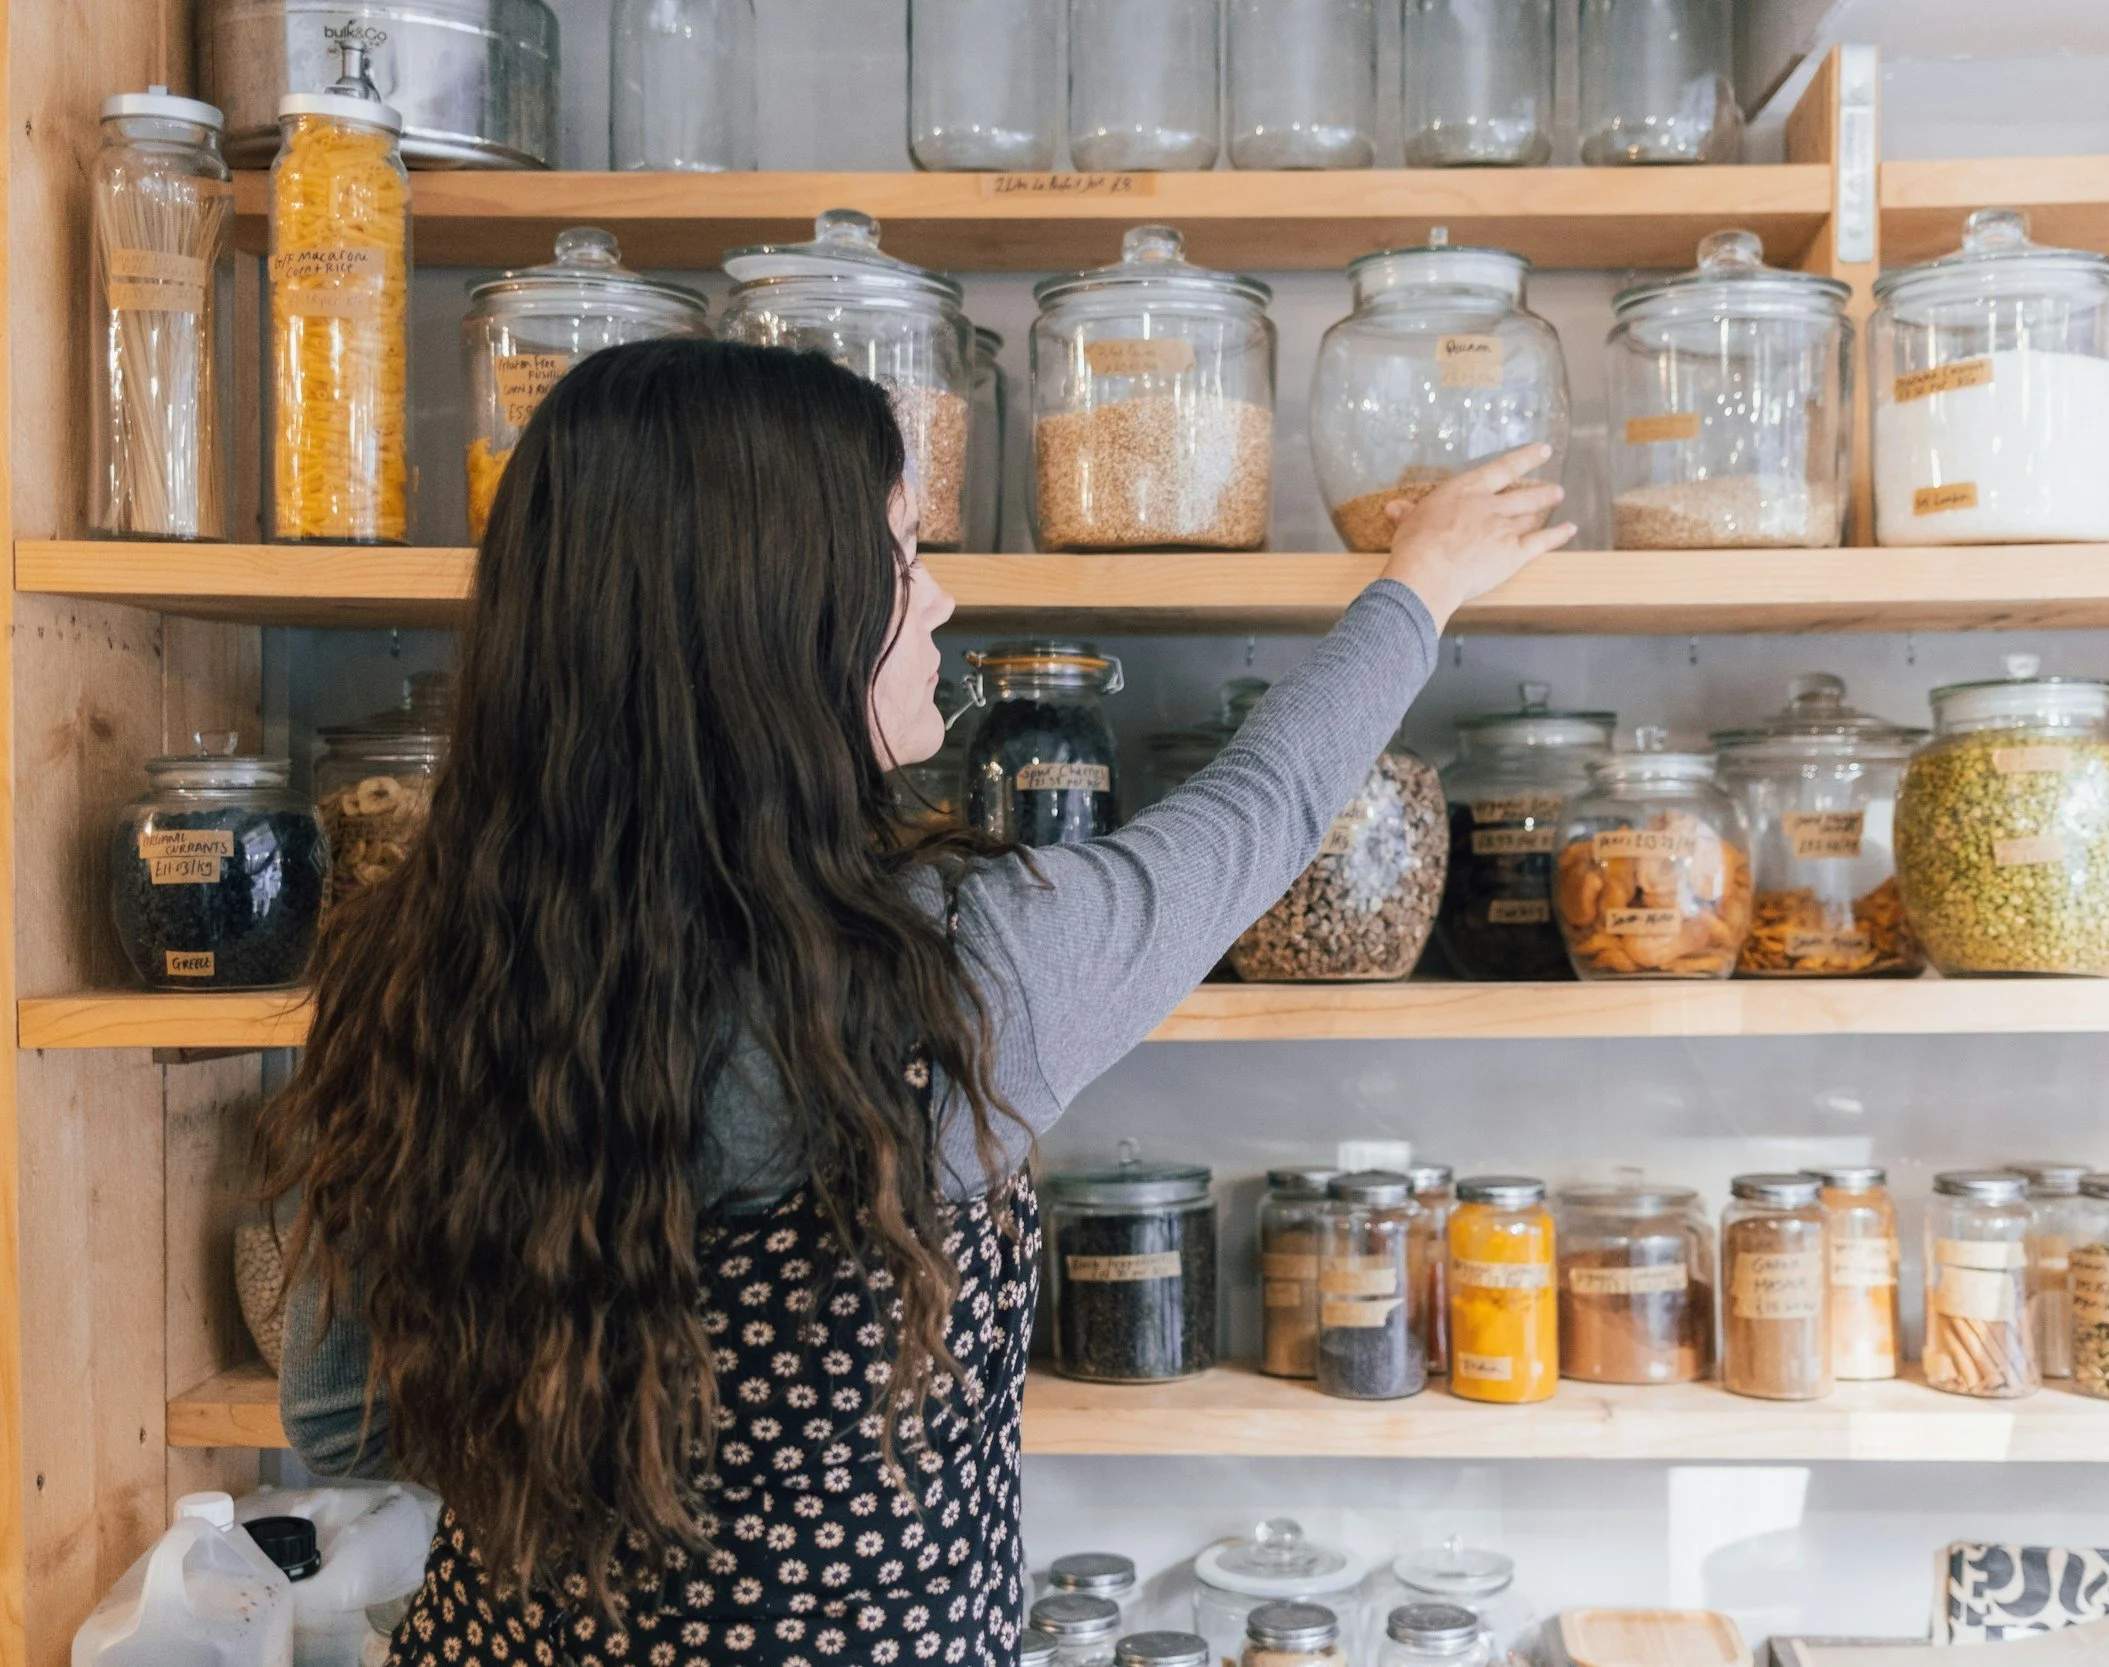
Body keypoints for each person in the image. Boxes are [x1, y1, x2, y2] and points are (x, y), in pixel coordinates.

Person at [259, 337, 1572, 1665]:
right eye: (898, 560)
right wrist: (1423, 585)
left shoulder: (410, 966)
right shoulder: (951, 978)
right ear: (776, 621)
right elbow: (1259, 814)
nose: (939, 601)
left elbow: (340, 1422)